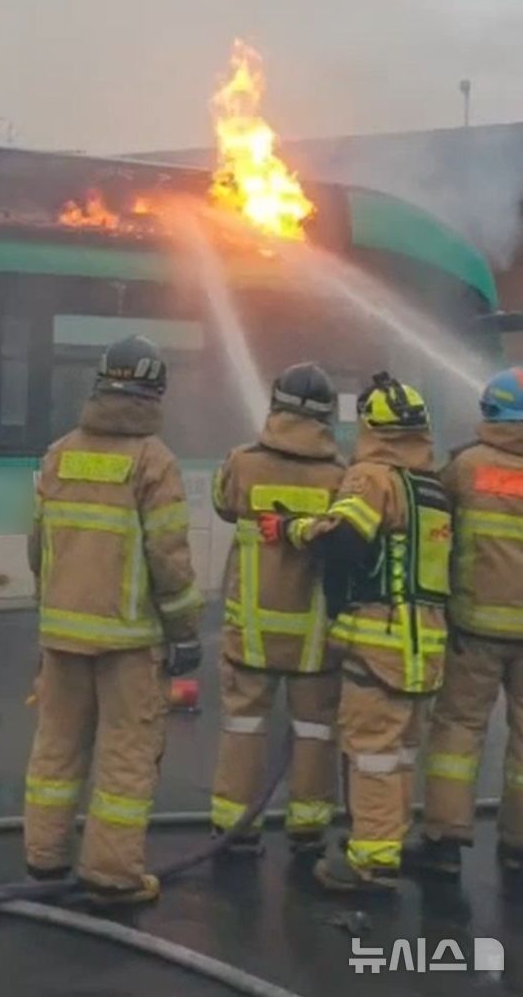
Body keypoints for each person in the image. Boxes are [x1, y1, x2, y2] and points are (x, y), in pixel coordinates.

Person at [24, 335, 204, 906]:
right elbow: (169, 560)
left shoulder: (58, 454)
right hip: (129, 641)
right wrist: (185, 631)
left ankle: (44, 859)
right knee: (126, 753)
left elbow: (37, 547)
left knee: (56, 745)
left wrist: (52, 607)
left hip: (62, 633)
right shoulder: (154, 461)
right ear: (155, 391)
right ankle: (111, 874)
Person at [260, 372, 451, 892]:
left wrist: (295, 529)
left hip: (380, 640)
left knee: (370, 751)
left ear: (372, 427)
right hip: (426, 647)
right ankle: (387, 837)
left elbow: (345, 539)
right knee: (399, 752)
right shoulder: (431, 486)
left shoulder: (373, 478)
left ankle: (370, 859)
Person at [211, 363, 345, 857]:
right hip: (314, 637)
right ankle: (307, 827)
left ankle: (235, 827)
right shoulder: (341, 476)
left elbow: (223, 504)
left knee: (244, 724)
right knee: (313, 728)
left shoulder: (243, 463)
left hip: (251, 630)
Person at [409, 367, 523, 878]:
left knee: (457, 731)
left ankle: (444, 841)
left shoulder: (464, 468)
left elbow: (431, 533)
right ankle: (518, 843)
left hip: (472, 629)